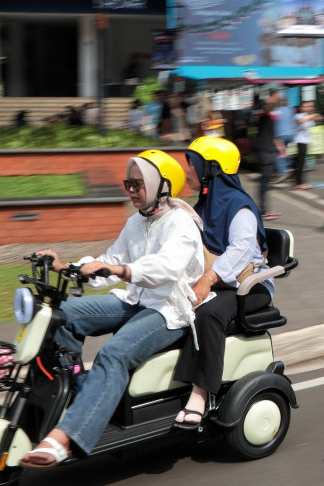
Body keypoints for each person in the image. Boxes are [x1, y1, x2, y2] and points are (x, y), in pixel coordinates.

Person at [21, 150, 206, 467]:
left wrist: (122, 272)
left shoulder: (182, 224)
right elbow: (110, 261)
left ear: (162, 186)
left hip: (168, 311)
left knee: (114, 352)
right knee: (62, 315)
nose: (131, 190)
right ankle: (76, 393)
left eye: (138, 183)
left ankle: (64, 441)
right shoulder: (137, 222)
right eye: (127, 183)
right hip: (135, 299)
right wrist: (66, 266)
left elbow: (165, 268)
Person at [171, 137, 274, 428]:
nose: (187, 170)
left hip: (249, 286)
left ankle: (201, 393)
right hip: (220, 282)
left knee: (207, 314)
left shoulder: (239, 206)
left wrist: (207, 279)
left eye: (192, 165)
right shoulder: (203, 204)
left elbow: (240, 251)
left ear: (210, 169)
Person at [249, 95, 282, 220]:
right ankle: (262, 211)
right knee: (264, 181)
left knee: (267, 179)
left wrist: (278, 144)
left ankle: (265, 209)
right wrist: (274, 102)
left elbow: (272, 134)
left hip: (268, 149)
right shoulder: (263, 115)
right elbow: (266, 109)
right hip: (264, 150)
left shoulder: (268, 116)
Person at [292, 100, 322, 190]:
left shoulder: (308, 116)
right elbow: (300, 121)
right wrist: (312, 116)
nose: (309, 108)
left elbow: (316, 121)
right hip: (299, 141)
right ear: (302, 108)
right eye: (306, 106)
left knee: (304, 164)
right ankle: (299, 183)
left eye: (310, 106)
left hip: (307, 142)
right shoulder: (298, 116)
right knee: (300, 163)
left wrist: (317, 118)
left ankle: (301, 182)